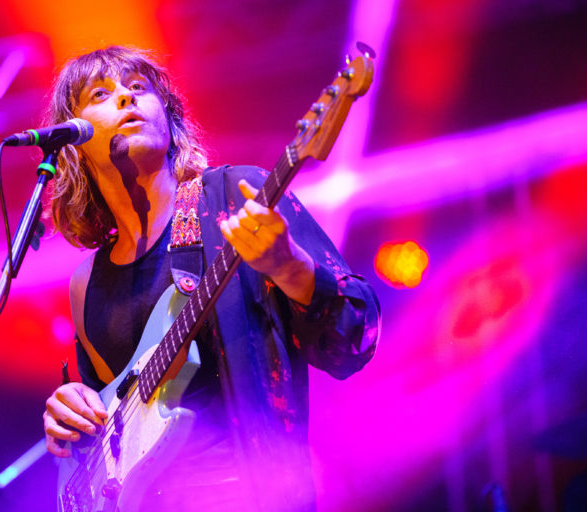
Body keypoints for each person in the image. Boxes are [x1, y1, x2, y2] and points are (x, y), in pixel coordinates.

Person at [41, 46, 380, 512]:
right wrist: (72, 413)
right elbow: (110, 429)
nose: (126, 98)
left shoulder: (233, 199)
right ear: (73, 146)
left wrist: (289, 268)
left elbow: (357, 339)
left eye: (139, 88)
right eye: (101, 93)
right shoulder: (86, 284)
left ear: (169, 119)